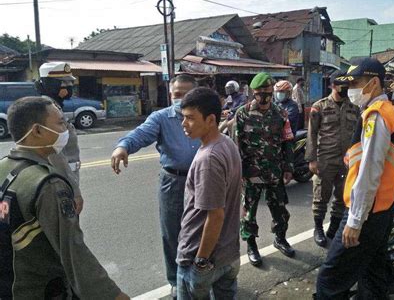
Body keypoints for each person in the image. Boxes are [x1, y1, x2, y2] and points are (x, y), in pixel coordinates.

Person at [0, 97, 128, 299]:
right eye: (60, 123)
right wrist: (112, 295)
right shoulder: (47, 184)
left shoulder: (4, 166)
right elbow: (73, 252)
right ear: (37, 131)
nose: (66, 128)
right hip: (41, 290)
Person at [315, 58, 394, 299]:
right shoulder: (386, 112)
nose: (351, 89)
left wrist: (354, 221)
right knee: (373, 273)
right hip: (381, 209)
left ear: (374, 83)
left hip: (367, 212)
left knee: (329, 281)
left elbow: (369, 171)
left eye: (356, 83)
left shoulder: (376, 116)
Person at [110, 74, 200, 298]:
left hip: (201, 180)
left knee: (202, 230)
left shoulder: (204, 116)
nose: (181, 100)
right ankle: (176, 280)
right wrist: (123, 147)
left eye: (186, 95)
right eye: (177, 95)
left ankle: (200, 276)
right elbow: (139, 135)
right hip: (173, 182)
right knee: (172, 234)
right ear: (171, 95)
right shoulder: (161, 118)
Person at [176, 87, 242, 300]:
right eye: (183, 118)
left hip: (203, 256)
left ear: (211, 119)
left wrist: (201, 261)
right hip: (228, 254)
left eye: (190, 118)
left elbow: (215, 215)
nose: (184, 124)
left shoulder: (209, 158)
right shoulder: (226, 143)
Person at [236, 72, 295, 267]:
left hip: (274, 172)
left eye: (268, 91)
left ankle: (280, 238)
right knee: (249, 213)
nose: (264, 96)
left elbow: (287, 141)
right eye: (260, 92)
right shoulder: (242, 114)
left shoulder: (281, 114)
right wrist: (239, 173)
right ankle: (251, 246)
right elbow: (237, 146)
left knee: (279, 209)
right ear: (254, 92)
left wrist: (288, 167)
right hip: (251, 173)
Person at [305, 70, 359, 247]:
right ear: (332, 85)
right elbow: (312, 134)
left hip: (347, 160)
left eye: (347, 84)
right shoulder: (319, 107)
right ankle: (318, 228)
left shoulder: (354, 107)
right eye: (341, 84)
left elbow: (358, 136)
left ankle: (334, 227)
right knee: (321, 195)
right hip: (325, 158)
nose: (345, 88)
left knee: (343, 196)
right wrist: (312, 159)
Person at [35, 62, 84, 214]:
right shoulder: (49, 112)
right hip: (60, 179)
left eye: (70, 82)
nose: (69, 87)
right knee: (67, 225)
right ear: (51, 85)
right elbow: (56, 154)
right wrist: (74, 191)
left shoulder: (54, 107)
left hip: (63, 176)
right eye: (64, 83)